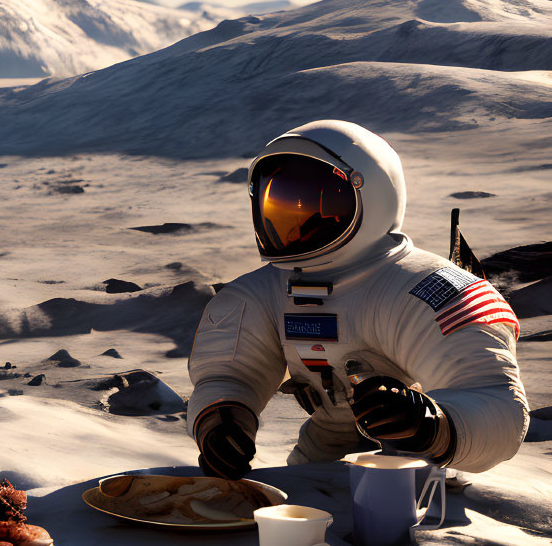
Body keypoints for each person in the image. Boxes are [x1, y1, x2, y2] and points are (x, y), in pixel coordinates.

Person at [187, 120, 528, 478]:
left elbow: (495, 400)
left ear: (372, 195)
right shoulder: (261, 293)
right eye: (284, 204)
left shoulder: (432, 290)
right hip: (322, 452)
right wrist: (222, 425)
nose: (301, 219)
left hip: (420, 469)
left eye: (321, 205)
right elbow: (229, 377)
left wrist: (430, 425)